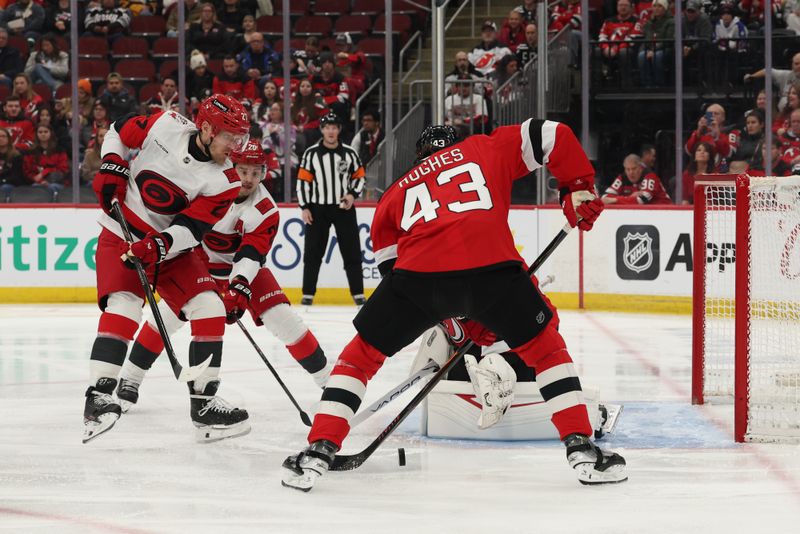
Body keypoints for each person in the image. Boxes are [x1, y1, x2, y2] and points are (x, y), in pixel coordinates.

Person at [280, 121, 623, 492]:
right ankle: (582, 450)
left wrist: (455, 318)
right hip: (495, 272)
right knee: (547, 349)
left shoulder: (396, 191)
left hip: (420, 280)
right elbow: (552, 133)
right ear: (456, 145)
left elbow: (394, 272)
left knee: (359, 357)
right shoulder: (483, 148)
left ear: (419, 158)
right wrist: (578, 188)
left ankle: (319, 449)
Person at [115, 140, 333, 413]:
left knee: (285, 320)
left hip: (244, 272)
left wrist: (238, 289)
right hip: (197, 265)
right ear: (231, 166)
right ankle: (130, 379)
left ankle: (329, 382)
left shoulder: (266, 209)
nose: (248, 179)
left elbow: (251, 255)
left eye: (255, 172)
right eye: (243, 171)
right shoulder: (208, 186)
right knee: (165, 318)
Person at [82, 94, 251, 443]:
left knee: (209, 306)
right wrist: (112, 163)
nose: (236, 146)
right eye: (229, 137)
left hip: (169, 248)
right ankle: (98, 398)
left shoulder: (227, 181)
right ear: (205, 128)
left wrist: (157, 245)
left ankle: (203, 405)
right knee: (125, 305)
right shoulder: (166, 123)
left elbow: (192, 229)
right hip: (121, 231)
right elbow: (117, 129)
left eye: (240, 138)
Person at [296, 112, 365, 307]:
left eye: (334, 127)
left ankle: (358, 293)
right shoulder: (311, 153)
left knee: (351, 251)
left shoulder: (350, 152)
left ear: (339, 130)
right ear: (321, 130)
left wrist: (352, 194)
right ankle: (308, 294)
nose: (331, 131)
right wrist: (305, 207)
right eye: (327, 127)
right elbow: (303, 182)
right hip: (318, 209)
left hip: (344, 208)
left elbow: (359, 176)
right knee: (312, 252)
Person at [597, 0, 640, 86]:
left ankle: (626, 84)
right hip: (609, 49)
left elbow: (631, 39)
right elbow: (602, 37)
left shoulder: (636, 21)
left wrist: (615, 50)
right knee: (596, 51)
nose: (622, 7)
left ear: (631, 7)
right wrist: (606, 48)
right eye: (620, 5)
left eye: (625, 5)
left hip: (628, 49)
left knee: (623, 52)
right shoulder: (608, 21)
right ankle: (597, 83)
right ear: (617, 7)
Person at [602, 153, 672, 204]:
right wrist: (630, 197)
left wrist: (615, 200)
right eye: (628, 169)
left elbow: (643, 199)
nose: (631, 172)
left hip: (664, 213)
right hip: (644, 214)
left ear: (640, 168)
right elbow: (605, 197)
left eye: (634, 168)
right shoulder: (622, 178)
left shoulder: (650, 176)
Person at [22, 123, 68, 200]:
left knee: (52, 187)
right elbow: (27, 171)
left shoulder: (60, 150)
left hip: (57, 182)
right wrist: (41, 181)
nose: (43, 134)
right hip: (37, 183)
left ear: (51, 133)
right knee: (36, 187)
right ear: (36, 134)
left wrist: (44, 172)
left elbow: (63, 169)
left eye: (46, 132)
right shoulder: (30, 152)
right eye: (40, 132)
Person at [637, 0, 674, 88]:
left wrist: (653, 49)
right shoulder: (649, 22)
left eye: (659, 6)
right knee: (642, 55)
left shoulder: (671, 21)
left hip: (667, 48)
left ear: (665, 8)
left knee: (657, 56)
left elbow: (668, 40)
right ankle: (647, 84)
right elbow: (648, 38)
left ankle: (659, 84)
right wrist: (645, 49)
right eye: (654, 6)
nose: (656, 9)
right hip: (651, 48)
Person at [0, 127, 24, 201]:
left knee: (5, 188)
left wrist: (2, 181)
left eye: (3, 136)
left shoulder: (16, 156)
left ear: (9, 139)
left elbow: (16, 177)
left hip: (11, 184)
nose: (0, 138)